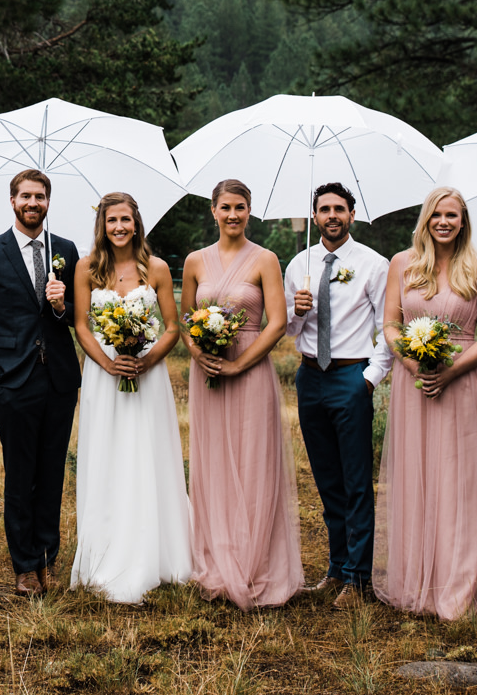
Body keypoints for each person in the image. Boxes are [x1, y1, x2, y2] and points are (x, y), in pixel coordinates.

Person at [375, 185, 477, 622]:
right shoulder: (403, 264)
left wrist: (450, 370)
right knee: (418, 475)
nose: (444, 222)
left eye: (452, 216)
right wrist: (413, 365)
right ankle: (419, 578)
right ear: (426, 219)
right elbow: (391, 325)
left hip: (463, 383)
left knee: (461, 480)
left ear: (463, 222)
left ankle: (460, 582)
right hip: (413, 384)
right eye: (437, 215)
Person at [181, 179, 303, 610]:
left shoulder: (266, 259)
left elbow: (276, 322)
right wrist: (199, 353)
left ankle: (254, 567)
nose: (233, 215)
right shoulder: (195, 261)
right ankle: (216, 564)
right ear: (212, 211)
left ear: (250, 211)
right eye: (226, 207)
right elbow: (184, 319)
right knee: (214, 463)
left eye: (241, 207)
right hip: (209, 374)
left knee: (254, 463)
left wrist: (238, 362)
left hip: (249, 371)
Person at [70, 191, 191, 602]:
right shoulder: (87, 268)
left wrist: (146, 360)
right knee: (107, 455)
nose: (119, 227)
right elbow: (82, 325)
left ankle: (155, 551)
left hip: (146, 375)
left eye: (125, 219)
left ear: (136, 223)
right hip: (105, 377)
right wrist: (107, 364)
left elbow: (172, 327)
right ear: (102, 226)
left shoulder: (155, 268)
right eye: (111, 221)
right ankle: (105, 550)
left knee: (146, 455)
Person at [0, 169, 81, 597]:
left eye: (41, 196)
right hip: (13, 379)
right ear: (13, 201)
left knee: (52, 471)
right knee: (20, 475)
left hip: (60, 379)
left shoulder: (65, 250)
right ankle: (25, 565)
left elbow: (77, 316)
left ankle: (48, 555)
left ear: (49, 201)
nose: (33, 203)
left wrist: (60, 305)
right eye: (26, 196)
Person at [283, 181, 391, 604]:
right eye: (324, 209)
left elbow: (387, 328)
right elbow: (288, 329)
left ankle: (358, 576)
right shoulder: (299, 264)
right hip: (310, 377)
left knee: (356, 480)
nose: (332, 216)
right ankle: (335, 566)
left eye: (339, 209)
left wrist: (370, 379)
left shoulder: (373, 264)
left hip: (350, 375)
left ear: (351, 214)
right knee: (327, 478)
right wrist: (298, 310)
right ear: (314, 217)